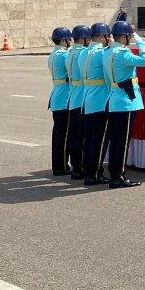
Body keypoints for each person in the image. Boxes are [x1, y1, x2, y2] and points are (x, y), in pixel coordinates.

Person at [104, 21, 145, 188]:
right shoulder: (122, 53)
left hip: (114, 99)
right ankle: (118, 177)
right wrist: (141, 41)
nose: (130, 39)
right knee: (122, 142)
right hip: (125, 102)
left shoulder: (107, 52)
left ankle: (114, 174)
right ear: (123, 36)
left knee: (116, 140)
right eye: (129, 36)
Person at [80, 22, 113, 186]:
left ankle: (89, 172)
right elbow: (109, 77)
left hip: (87, 98)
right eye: (108, 36)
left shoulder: (83, 52)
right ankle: (95, 174)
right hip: (100, 99)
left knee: (90, 139)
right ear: (102, 37)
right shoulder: (102, 53)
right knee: (99, 140)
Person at [64, 25, 91, 179]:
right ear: (83, 38)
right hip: (82, 97)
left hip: (73, 96)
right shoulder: (83, 53)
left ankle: (76, 167)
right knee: (84, 136)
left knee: (75, 136)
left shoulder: (70, 53)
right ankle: (82, 166)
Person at [47, 27, 74, 177]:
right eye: (69, 39)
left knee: (59, 133)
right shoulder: (64, 55)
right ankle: (61, 166)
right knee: (64, 134)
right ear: (63, 40)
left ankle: (59, 165)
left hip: (57, 94)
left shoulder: (54, 54)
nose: (70, 41)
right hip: (65, 96)